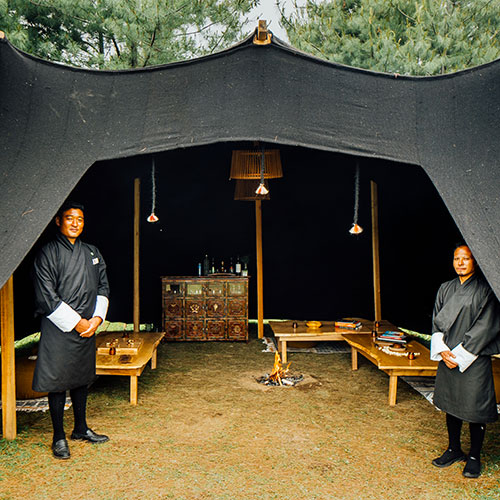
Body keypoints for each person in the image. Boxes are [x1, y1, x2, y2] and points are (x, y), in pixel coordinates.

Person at [32, 201, 110, 459]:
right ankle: (58, 437)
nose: (75, 223)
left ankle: (81, 428)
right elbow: (46, 296)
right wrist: (77, 322)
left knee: (81, 377)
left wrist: (96, 319)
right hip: (59, 325)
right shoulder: (48, 253)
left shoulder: (92, 252)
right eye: (69, 218)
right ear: (58, 221)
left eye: (80, 219)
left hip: (87, 326)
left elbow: (103, 287)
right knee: (57, 381)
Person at [430, 244, 500, 478]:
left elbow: (486, 326)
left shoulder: (486, 289)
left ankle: (474, 457)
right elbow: (436, 321)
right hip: (447, 355)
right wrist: (442, 351)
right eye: (456, 258)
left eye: (466, 259)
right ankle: (454, 449)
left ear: (475, 261)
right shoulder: (445, 288)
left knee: (474, 407)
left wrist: (459, 356)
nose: (460, 263)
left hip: (473, 357)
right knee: (451, 402)